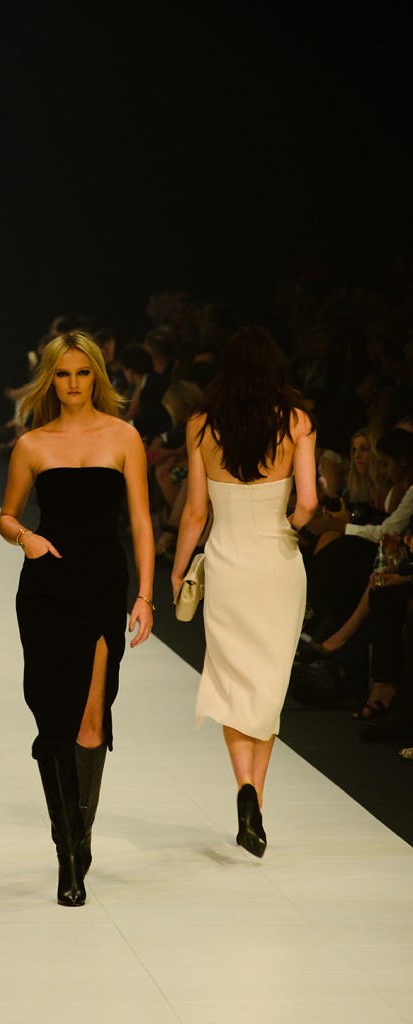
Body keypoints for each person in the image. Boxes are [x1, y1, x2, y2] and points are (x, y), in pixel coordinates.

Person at [0, 331, 154, 907]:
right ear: (50, 379)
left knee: (92, 719)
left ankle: (79, 833)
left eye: (82, 373)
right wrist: (26, 538)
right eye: (62, 374)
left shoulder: (124, 437)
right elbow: (6, 516)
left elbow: (142, 521)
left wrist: (145, 596)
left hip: (104, 586)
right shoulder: (32, 444)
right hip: (46, 588)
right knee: (53, 718)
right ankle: (69, 855)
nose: (72, 384)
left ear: (97, 377)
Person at [171, 326, 317, 857]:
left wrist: (178, 570)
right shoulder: (297, 422)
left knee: (233, 680)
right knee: (268, 684)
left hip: (228, 565)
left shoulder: (201, 425)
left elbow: (195, 512)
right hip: (278, 566)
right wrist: (286, 529)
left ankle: (244, 789)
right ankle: (257, 795)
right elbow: (308, 504)